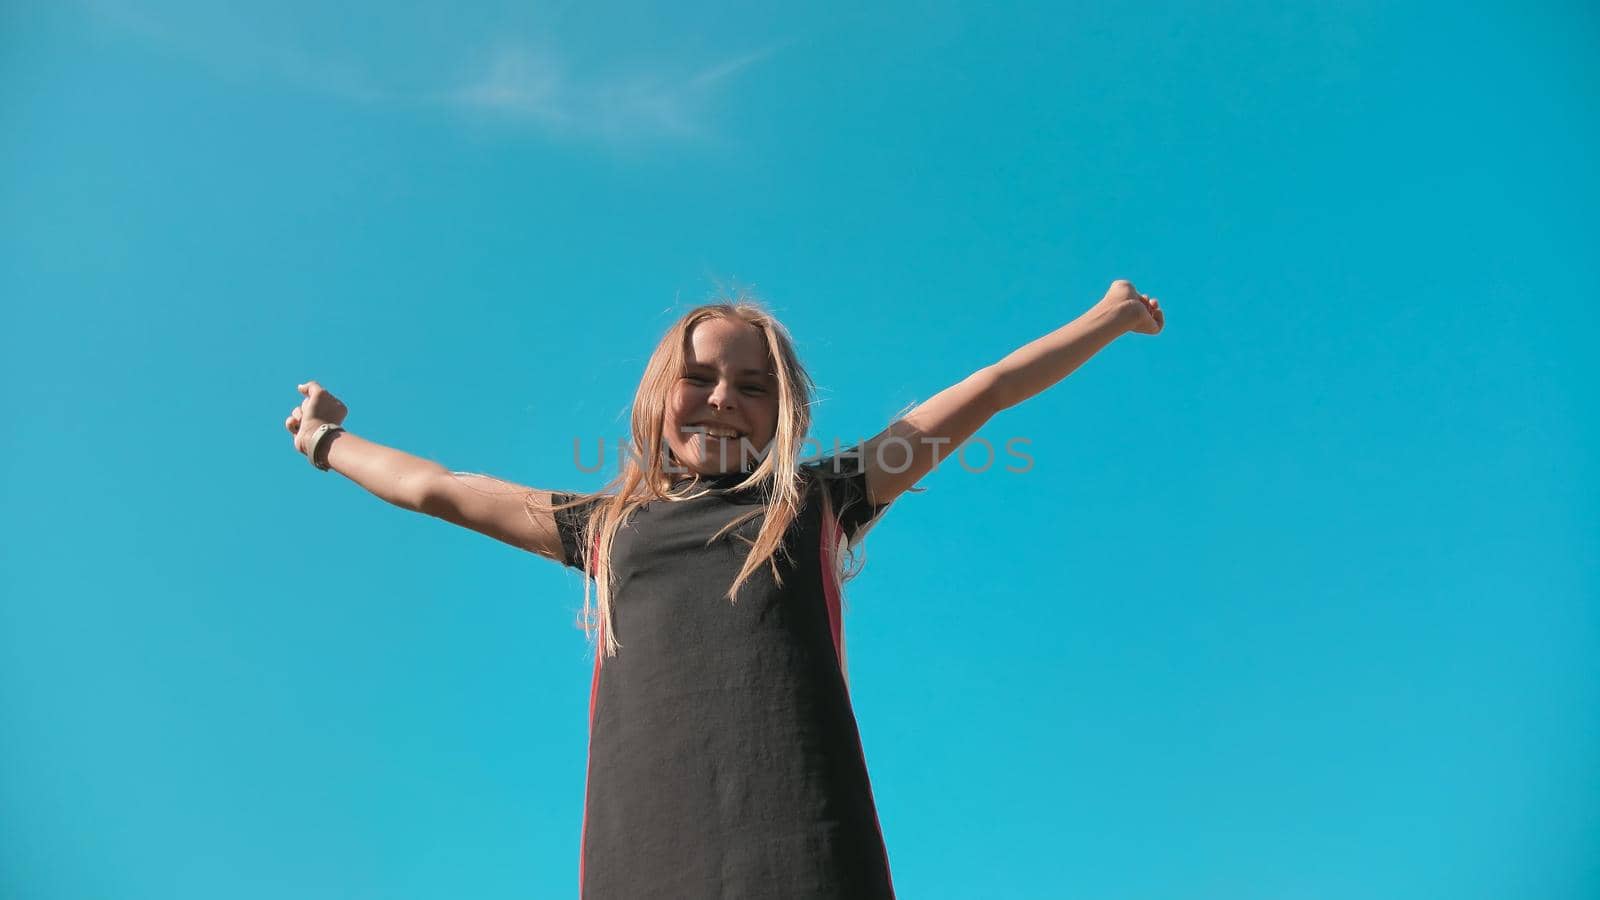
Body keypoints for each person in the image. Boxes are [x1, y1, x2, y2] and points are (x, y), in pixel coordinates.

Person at [282, 281, 1164, 899]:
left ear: (783, 411)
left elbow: (988, 393)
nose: (720, 400)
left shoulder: (822, 498)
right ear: (660, 394)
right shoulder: (605, 525)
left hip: (805, 837)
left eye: (751, 386)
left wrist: (1107, 316)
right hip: (645, 840)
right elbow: (436, 485)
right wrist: (325, 440)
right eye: (699, 379)